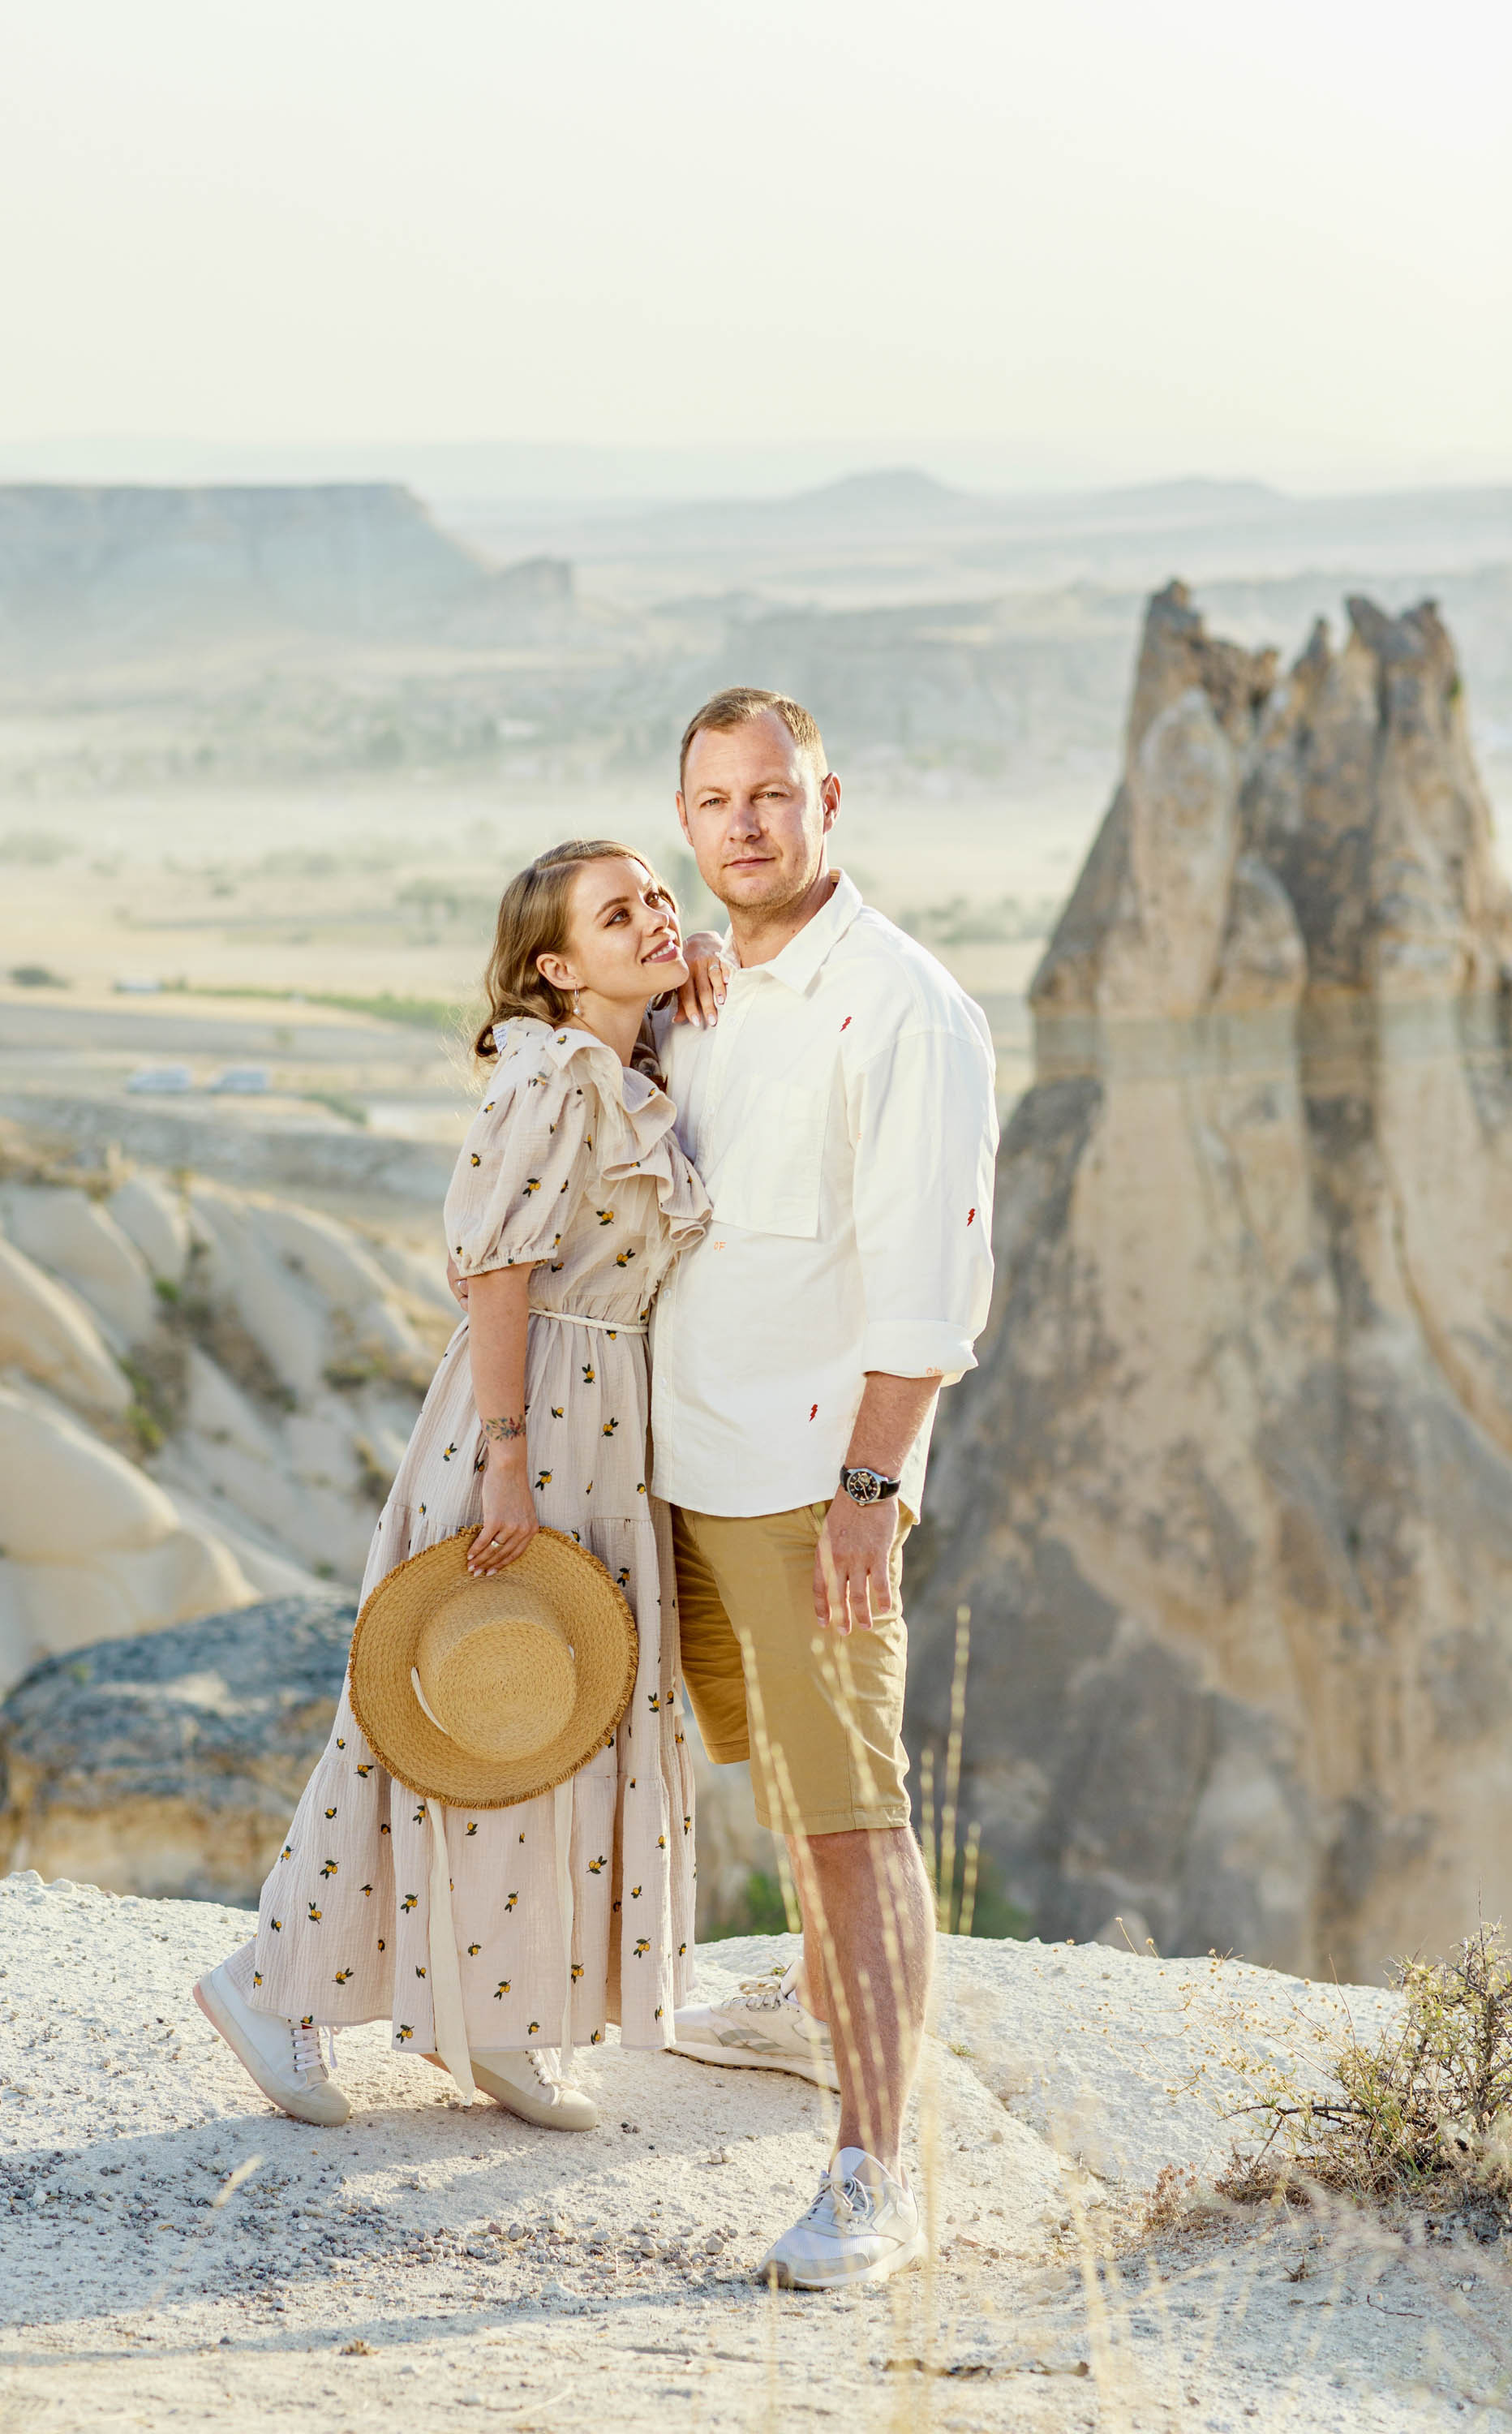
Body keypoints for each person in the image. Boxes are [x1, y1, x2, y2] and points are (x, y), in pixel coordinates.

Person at [193, 841, 710, 2132]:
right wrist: (506, 1458)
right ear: (553, 967)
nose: (654, 919)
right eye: (618, 913)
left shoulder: (631, 1065)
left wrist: (695, 972)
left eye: (657, 899)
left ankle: (498, 2019)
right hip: (530, 1419)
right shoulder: (552, 1084)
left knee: (555, 1718)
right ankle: (269, 1984)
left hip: (608, 1423)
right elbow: (492, 1274)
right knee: (435, 1713)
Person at [652, 687, 999, 2291]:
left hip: (810, 1481)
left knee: (851, 1818)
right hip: (688, 1467)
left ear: (828, 801)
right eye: (716, 800)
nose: (745, 823)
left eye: (771, 795)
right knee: (780, 1788)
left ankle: (877, 2170)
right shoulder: (708, 992)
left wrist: (870, 1487)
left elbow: (930, 1286)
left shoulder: (907, 1008)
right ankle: (804, 2008)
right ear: (687, 821)